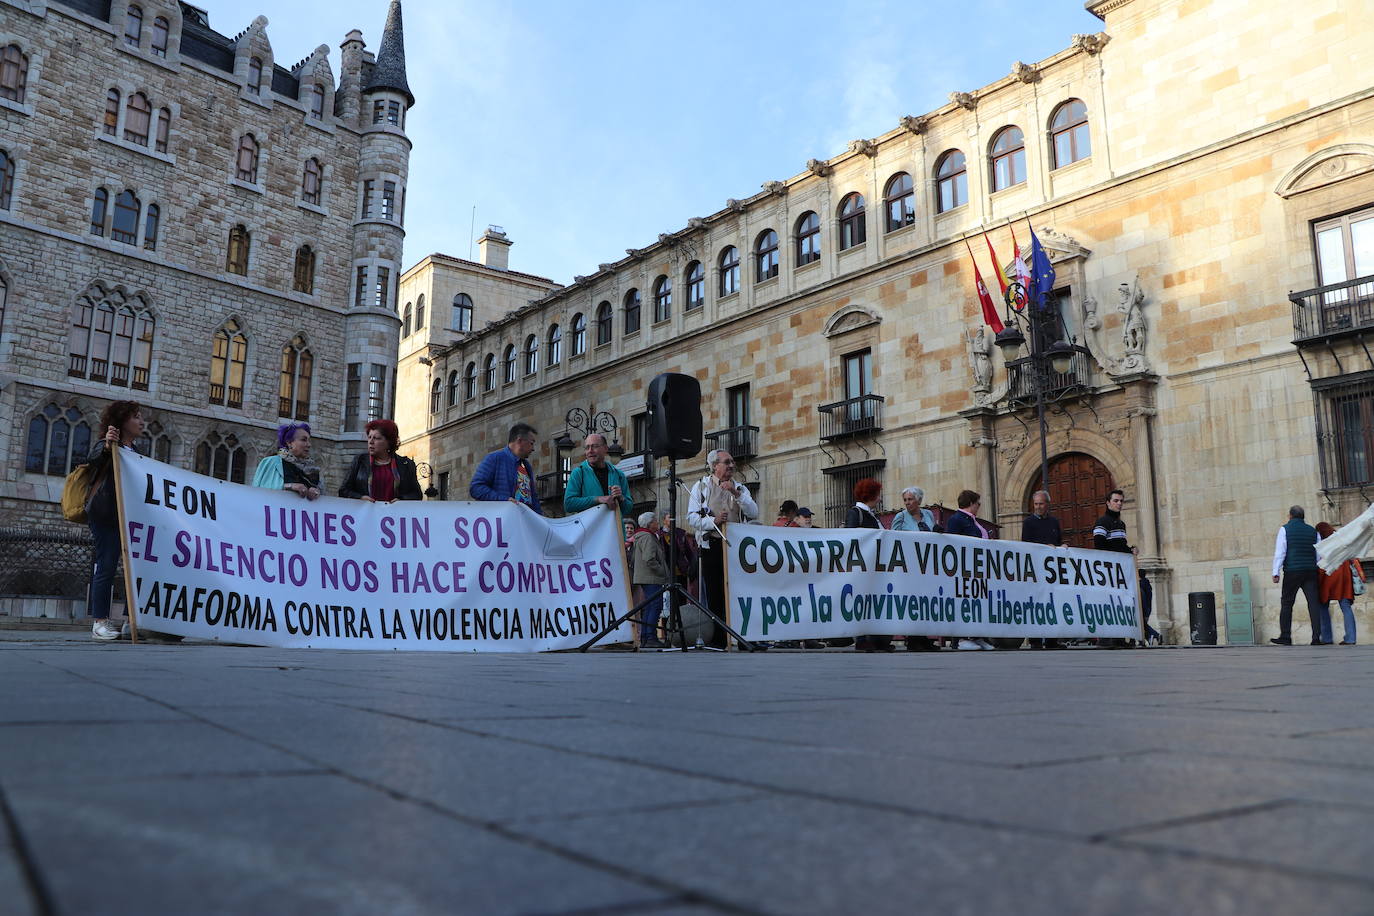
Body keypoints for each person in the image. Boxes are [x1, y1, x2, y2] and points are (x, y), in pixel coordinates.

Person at [84, 400, 146, 641]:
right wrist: (108, 445)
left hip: (132, 518)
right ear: (121, 421)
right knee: (106, 565)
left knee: (136, 569)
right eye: (136, 417)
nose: (141, 422)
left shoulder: (137, 453)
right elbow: (93, 460)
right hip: (107, 514)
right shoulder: (108, 445)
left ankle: (132, 620)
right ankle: (100, 622)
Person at [687, 449, 759, 648]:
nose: (731, 466)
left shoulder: (740, 488)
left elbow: (753, 512)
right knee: (716, 593)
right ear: (714, 466)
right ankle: (720, 639)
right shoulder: (701, 487)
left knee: (740, 592)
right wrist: (713, 521)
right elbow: (692, 518)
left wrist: (736, 494)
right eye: (727, 462)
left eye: (732, 462)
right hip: (713, 546)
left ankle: (745, 636)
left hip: (736, 547)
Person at [845, 478, 894, 652]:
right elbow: (851, 538)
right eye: (878, 495)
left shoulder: (872, 515)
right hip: (863, 567)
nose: (880, 499)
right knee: (863, 600)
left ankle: (877, 639)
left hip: (875, 567)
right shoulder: (856, 513)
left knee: (873, 601)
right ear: (871, 495)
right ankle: (862, 638)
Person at [945, 490, 996, 651]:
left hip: (978, 570)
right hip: (965, 570)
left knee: (978, 603)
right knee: (965, 603)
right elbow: (953, 543)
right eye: (978, 503)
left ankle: (976, 636)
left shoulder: (972, 520)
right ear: (971, 503)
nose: (979, 506)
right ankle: (962, 638)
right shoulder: (956, 520)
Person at [1270, 505, 1323, 646]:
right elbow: (1319, 555)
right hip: (1310, 571)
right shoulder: (1313, 531)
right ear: (1303, 516)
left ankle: (1286, 636)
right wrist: (1312, 565)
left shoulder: (1285, 529)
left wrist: (1275, 572)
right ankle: (1316, 637)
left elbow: (1280, 552)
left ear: (1290, 516)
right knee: (1313, 604)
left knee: (1287, 603)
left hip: (1292, 571)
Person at [338, 419, 422, 502]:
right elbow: (343, 491)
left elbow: (416, 494)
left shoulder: (406, 464)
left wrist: (401, 500)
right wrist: (360, 498)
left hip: (394, 514)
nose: (371, 442)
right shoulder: (360, 461)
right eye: (369, 437)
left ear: (389, 442)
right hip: (365, 513)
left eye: (377, 438)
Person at [1021, 490, 1063, 649]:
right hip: (1036, 571)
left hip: (1053, 572)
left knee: (1053, 603)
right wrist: (1045, 548)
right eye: (1036, 504)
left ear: (1048, 504)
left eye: (1041, 504)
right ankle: (1036, 641)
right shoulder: (1028, 523)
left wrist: (1061, 547)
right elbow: (1027, 545)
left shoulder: (1054, 522)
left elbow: (1058, 541)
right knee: (1036, 604)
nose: (1038, 507)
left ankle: (1052, 640)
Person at [469, 422, 541, 514]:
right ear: (519, 441)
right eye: (531, 443)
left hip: (522, 524)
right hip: (499, 522)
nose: (533, 448)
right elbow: (476, 488)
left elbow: (533, 499)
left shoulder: (527, 466)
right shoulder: (494, 459)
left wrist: (542, 521)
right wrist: (504, 500)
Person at [1315, 521, 1363, 645]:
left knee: (1323, 605)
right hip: (1344, 575)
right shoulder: (1341, 538)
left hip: (1328, 574)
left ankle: (1327, 638)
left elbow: (1321, 561)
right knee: (1345, 606)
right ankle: (1351, 638)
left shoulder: (1324, 543)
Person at [563, 433, 631, 517]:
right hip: (591, 529)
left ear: (605, 449)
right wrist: (598, 499)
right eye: (587, 447)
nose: (590, 451)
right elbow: (569, 504)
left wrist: (621, 498)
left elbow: (628, 509)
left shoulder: (618, 474)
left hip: (614, 528)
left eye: (594, 446)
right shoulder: (578, 473)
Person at [629, 511, 670, 648]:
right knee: (655, 606)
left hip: (644, 576)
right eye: (655, 521)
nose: (657, 524)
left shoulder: (640, 536)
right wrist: (662, 571)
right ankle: (650, 636)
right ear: (649, 523)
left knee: (649, 607)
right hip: (651, 577)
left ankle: (646, 637)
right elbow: (649, 559)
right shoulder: (647, 537)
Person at [252, 422, 322, 499]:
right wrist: (290, 486)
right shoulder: (272, 462)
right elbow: (261, 491)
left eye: (309, 441)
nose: (309, 445)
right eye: (303, 440)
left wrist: (317, 492)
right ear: (289, 443)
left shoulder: (313, 471)